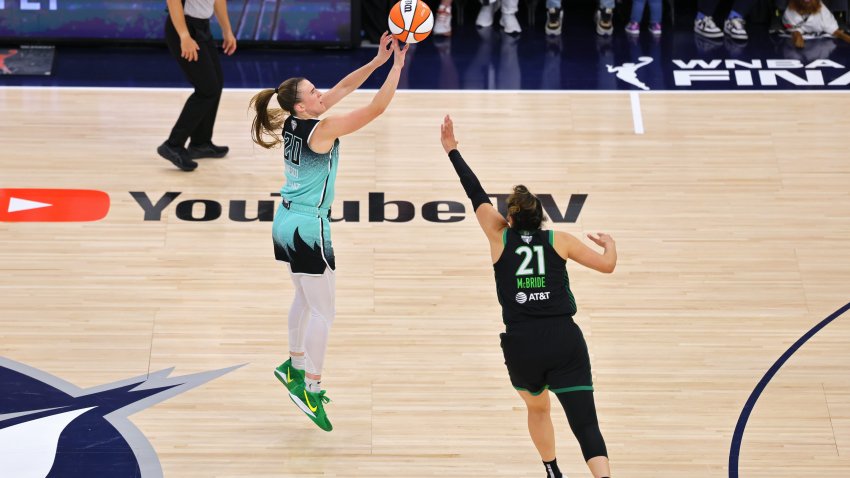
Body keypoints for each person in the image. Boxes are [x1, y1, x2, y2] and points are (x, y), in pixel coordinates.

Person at [439, 115, 617, 478]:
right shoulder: (559, 240)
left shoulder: (498, 236)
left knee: (538, 410)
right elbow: (606, 266)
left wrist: (452, 151)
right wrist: (610, 246)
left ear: (509, 218)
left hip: (522, 342)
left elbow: (474, 191)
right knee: (585, 423)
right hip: (564, 338)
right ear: (542, 218)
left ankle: (552, 471)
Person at [249, 32, 408, 432]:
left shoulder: (294, 121)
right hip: (307, 225)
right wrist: (399, 68)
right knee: (324, 309)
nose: (322, 94)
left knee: (304, 297)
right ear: (303, 104)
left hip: (285, 220)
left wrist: (377, 61)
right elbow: (375, 109)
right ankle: (310, 388)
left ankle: (293, 365)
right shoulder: (322, 131)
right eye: (315, 93)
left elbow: (342, 88)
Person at [159, 0, 237, 172]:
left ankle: (200, 143)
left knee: (215, 84)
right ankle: (173, 144)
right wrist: (184, 36)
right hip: (183, 28)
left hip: (202, 27)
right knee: (207, 89)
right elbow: (173, 2)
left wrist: (227, 30)